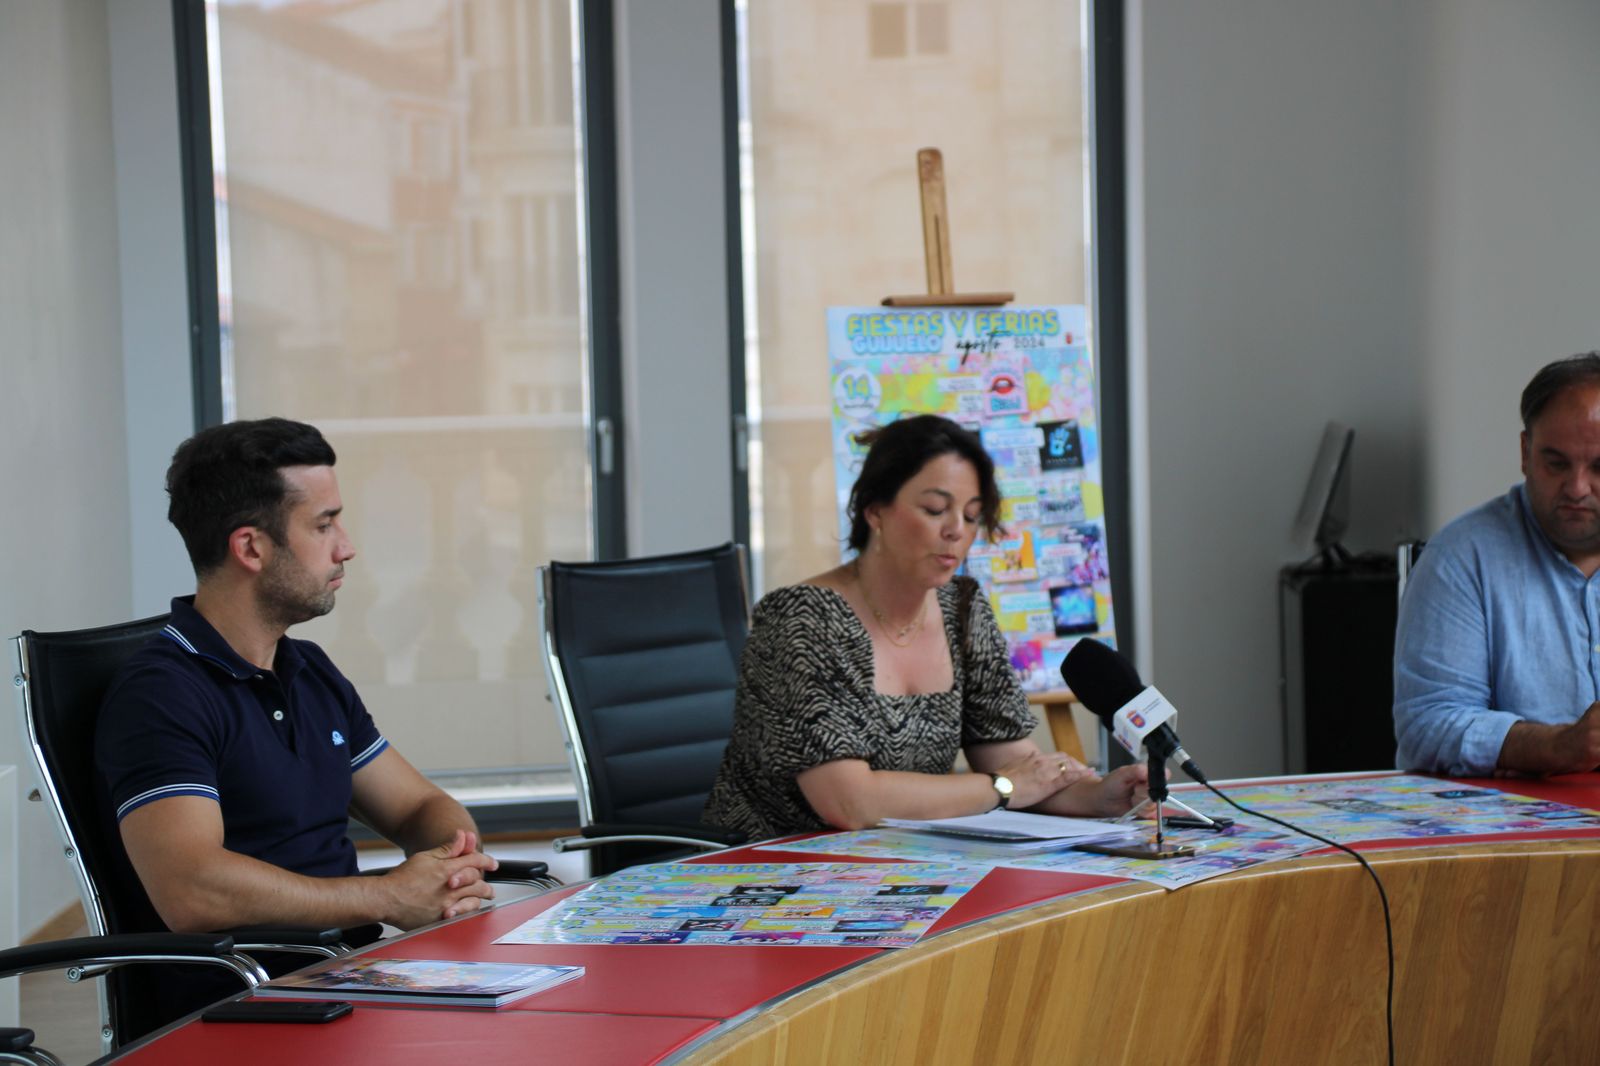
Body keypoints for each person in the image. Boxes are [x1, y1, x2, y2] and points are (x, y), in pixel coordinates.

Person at [95, 418, 498, 1031]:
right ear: (252, 548)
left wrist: (449, 861)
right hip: (243, 1010)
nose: (346, 546)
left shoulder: (306, 668)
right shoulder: (160, 695)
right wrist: (391, 897)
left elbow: (417, 804)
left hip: (355, 982)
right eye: (323, 524)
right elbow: (193, 890)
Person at [705, 415, 1145, 840]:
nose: (956, 530)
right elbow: (848, 803)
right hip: (770, 871)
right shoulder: (803, 618)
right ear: (875, 511)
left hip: (900, 866)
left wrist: (1099, 797)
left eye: (972, 516)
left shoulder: (963, 609)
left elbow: (1014, 760)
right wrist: (1003, 789)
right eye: (936, 509)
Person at [1395, 352, 1600, 776]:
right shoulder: (1460, 558)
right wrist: (1559, 746)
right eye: (1556, 463)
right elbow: (1428, 726)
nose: (1577, 488)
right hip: (1514, 833)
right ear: (1525, 453)